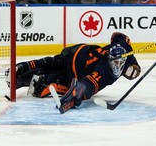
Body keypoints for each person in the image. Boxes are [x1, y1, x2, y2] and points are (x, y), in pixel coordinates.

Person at [8, 32, 141, 112]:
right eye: (114, 62)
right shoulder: (107, 70)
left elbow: (117, 36)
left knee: (53, 62)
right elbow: (89, 83)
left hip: (78, 51)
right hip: (77, 68)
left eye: (119, 63)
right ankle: (43, 82)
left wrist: (134, 67)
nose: (116, 66)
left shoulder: (124, 50)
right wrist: (78, 94)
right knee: (61, 78)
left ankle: (21, 70)